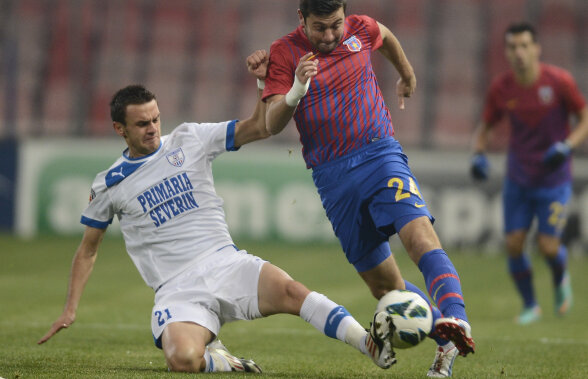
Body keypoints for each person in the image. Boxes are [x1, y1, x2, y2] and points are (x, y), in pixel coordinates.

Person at [37, 50, 400, 373]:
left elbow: (258, 127)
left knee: (293, 292)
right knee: (182, 360)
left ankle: (369, 344)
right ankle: (222, 360)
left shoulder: (189, 139)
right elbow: (88, 249)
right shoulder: (109, 184)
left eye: (156, 119)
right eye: (142, 124)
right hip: (177, 289)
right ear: (120, 129)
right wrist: (70, 309)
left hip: (226, 263)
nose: (153, 129)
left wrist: (264, 83)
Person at [261, 0, 475, 377]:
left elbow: (387, 36)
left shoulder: (361, 28)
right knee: (384, 287)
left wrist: (406, 73)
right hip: (332, 177)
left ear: (347, 15)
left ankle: (457, 320)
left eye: (336, 26)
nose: (329, 36)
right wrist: (296, 88)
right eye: (320, 28)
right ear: (301, 19)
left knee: (420, 237)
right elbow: (272, 122)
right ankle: (443, 332)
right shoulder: (284, 53)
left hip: (379, 154)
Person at [470, 22, 588, 325]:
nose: (519, 52)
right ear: (507, 52)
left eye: (524, 45)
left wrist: (566, 145)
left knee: (548, 246)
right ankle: (531, 306)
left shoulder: (559, 81)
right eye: (513, 47)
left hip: (553, 178)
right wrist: (478, 154)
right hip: (518, 178)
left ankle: (561, 279)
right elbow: (485, 126)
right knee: (513, 244)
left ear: (537, 48)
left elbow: (584, 117)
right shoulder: (501, 88)